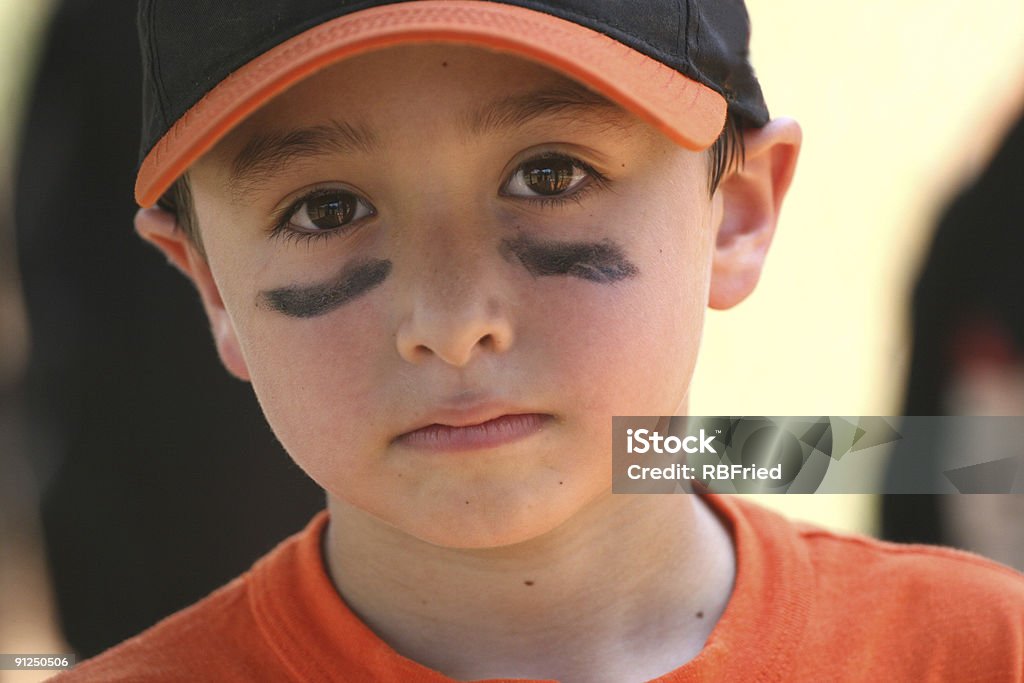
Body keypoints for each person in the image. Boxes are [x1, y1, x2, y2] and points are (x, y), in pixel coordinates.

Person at [59, 1, 1024, 681]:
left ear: (734, 212)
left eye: (550, 175)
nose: (448, 322)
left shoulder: (982, 651)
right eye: (328, 207)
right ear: (213, 286)